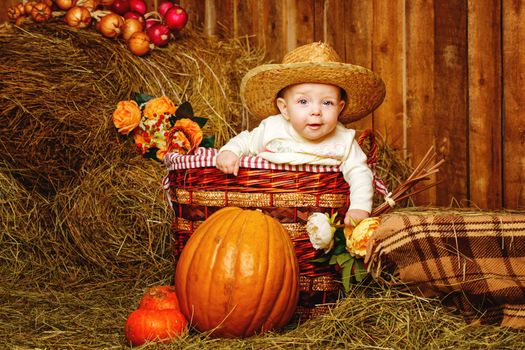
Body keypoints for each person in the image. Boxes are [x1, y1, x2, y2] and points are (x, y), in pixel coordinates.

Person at [216, 42, 385, 227]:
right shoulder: (273, 128)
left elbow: (360, 172)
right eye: (303, 101)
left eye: (327, 103)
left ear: (340, 108)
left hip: (320, 219)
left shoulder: (343, 141)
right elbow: (246, 141)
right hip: (268, 212)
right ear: (284, 108)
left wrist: (359, 207)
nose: (316, 111)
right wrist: (230, 151)